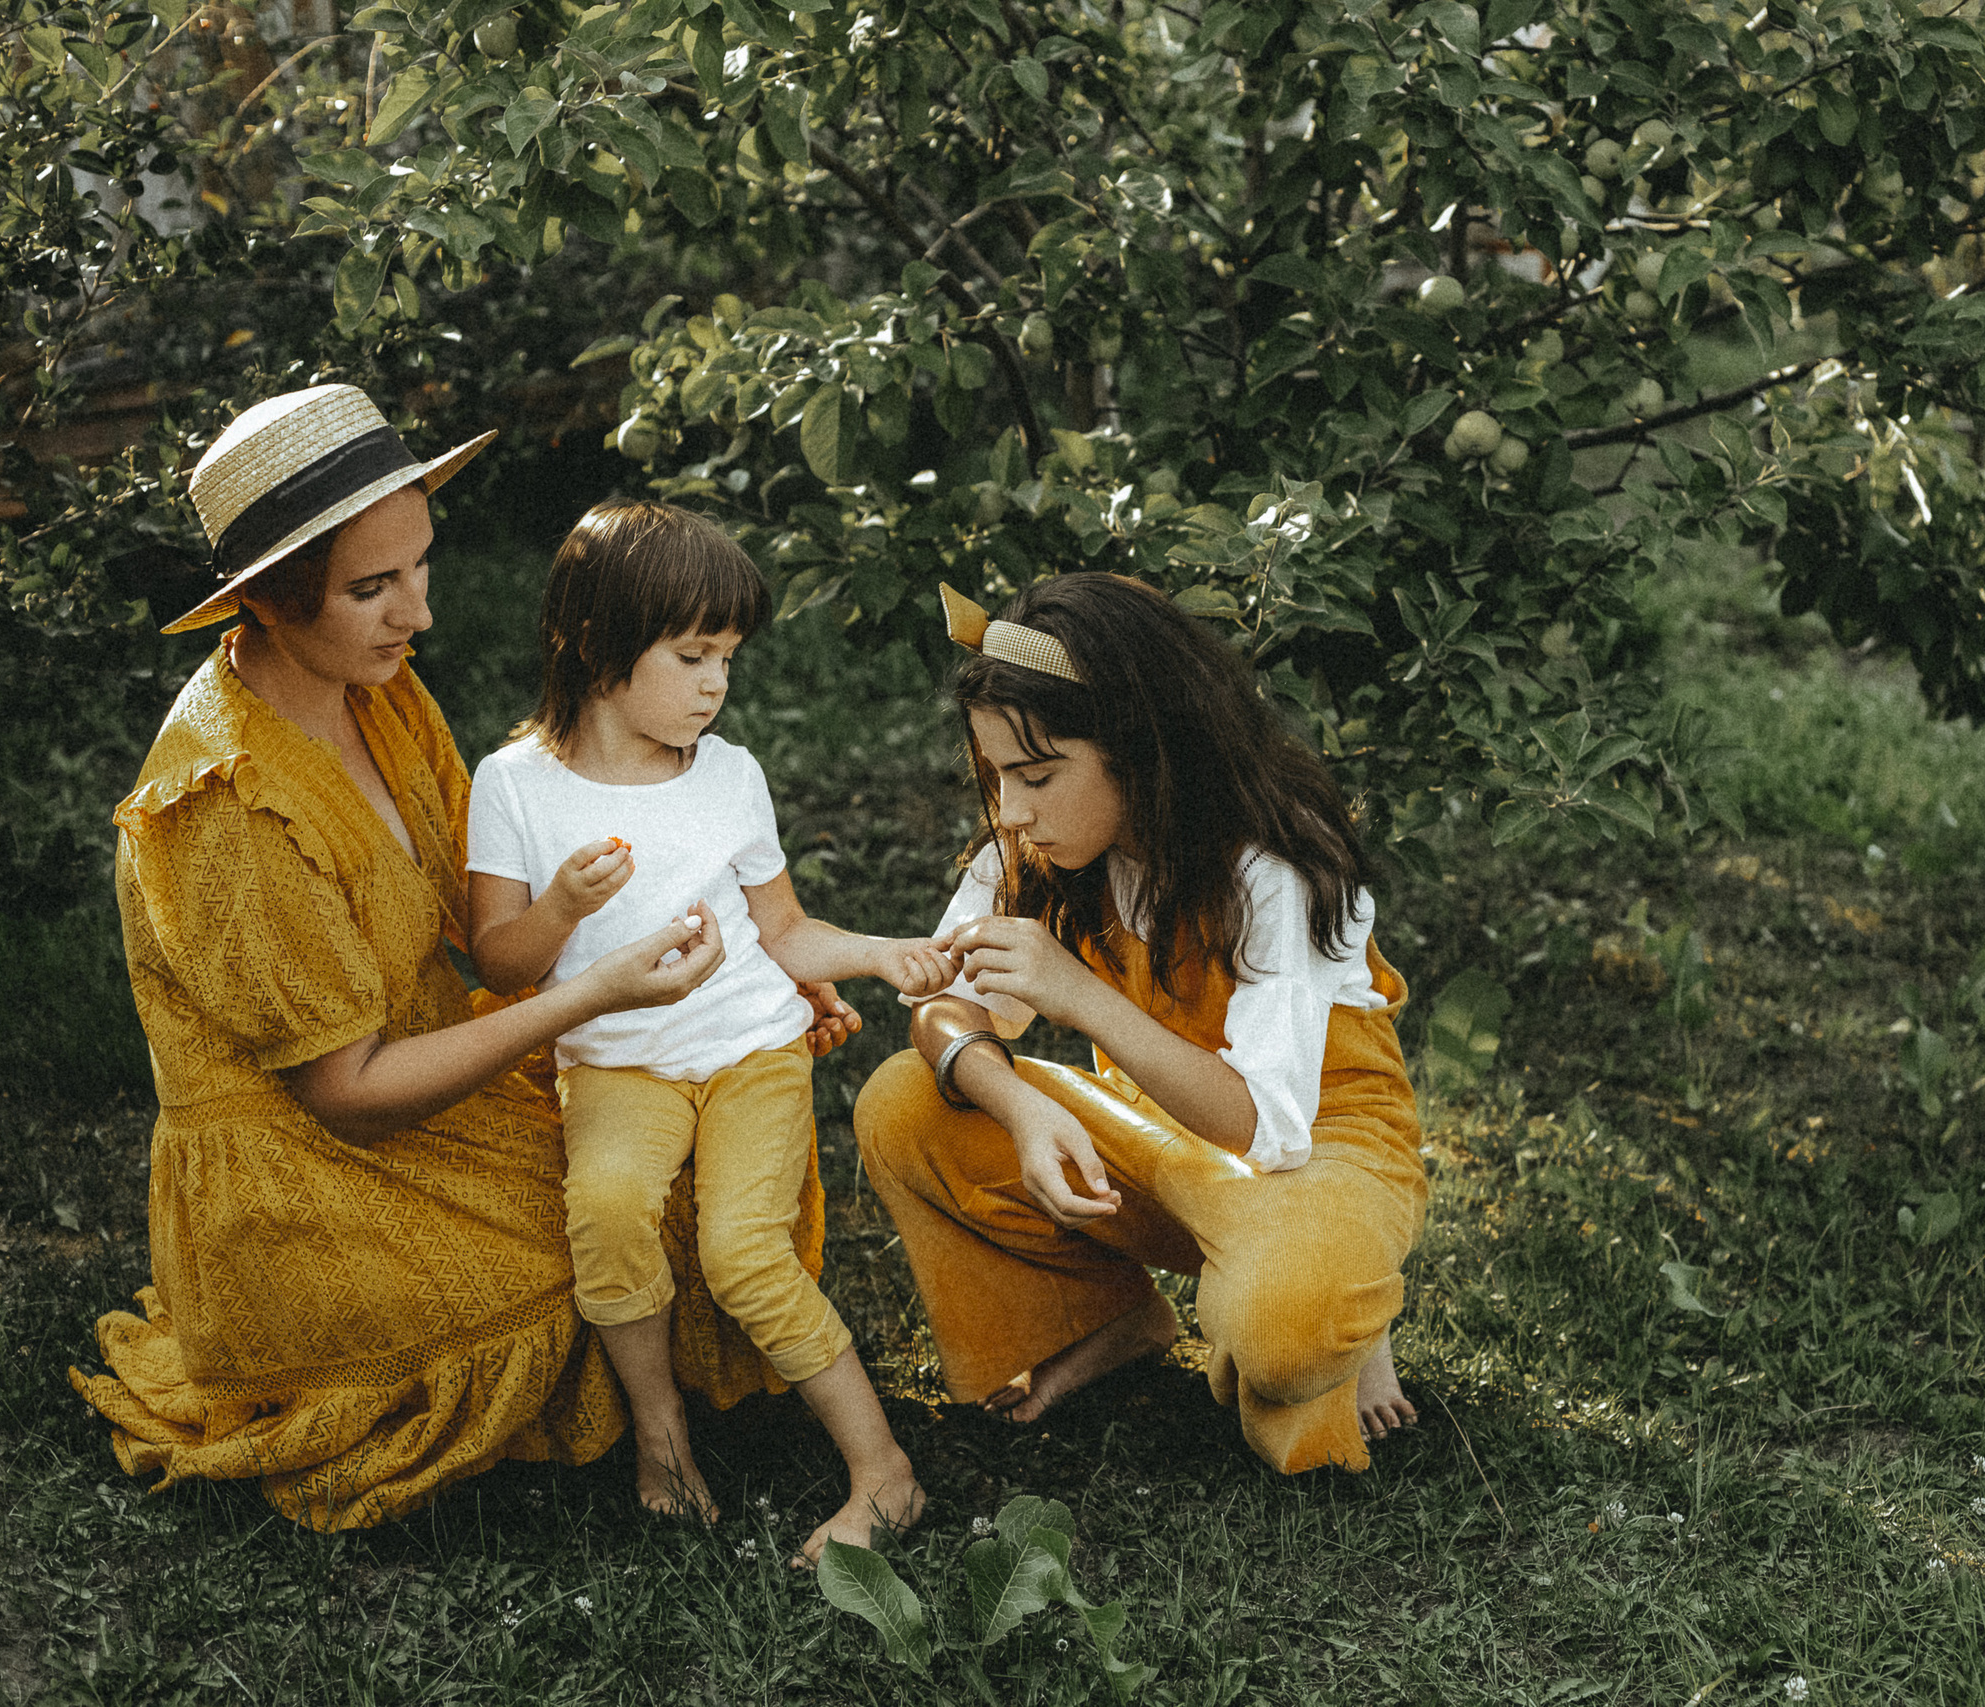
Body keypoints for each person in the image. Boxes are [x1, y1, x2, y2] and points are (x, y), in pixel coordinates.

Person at [69, 385, 850, 1529]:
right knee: (578, 1245)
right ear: (266, 606)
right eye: (371, 588)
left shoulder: (374, 694)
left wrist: (756, 968)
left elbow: (485, 933)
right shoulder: (225, 809)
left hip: (442, 1059)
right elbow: (348, 1097)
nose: (417, 616)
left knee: (662, 1181)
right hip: (306, 1161)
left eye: (420, 568)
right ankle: (630, 1426)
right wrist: (591, 995)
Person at [852, 574, 1428, 1475]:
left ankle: (1340, 1302)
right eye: (999, 775)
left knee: (1287, 1319)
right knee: (903, 1103)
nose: (1012, 810)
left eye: (1037, 776)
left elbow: (1263, 1129)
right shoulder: (1039, 851)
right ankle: (1109, 1319)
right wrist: (1015, 1101)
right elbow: (943, 1005)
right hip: (1165, 1139)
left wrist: (1076, 994)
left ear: (1144, 749)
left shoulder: (1273, 864)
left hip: (1321, 1142)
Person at [466, 500, 941, 1553]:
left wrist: (872, 954)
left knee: (741, 1253)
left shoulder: (728, 775)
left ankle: (884, 1472)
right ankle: (662, 1434)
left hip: (750, 1056)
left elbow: (784, 929)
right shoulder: (514, 787)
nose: (718, 683)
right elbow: (498, 961)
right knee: (608, 1207)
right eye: (692, 656)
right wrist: (565, 912)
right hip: (615, 1065)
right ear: (598, 647)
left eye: (726, 656)